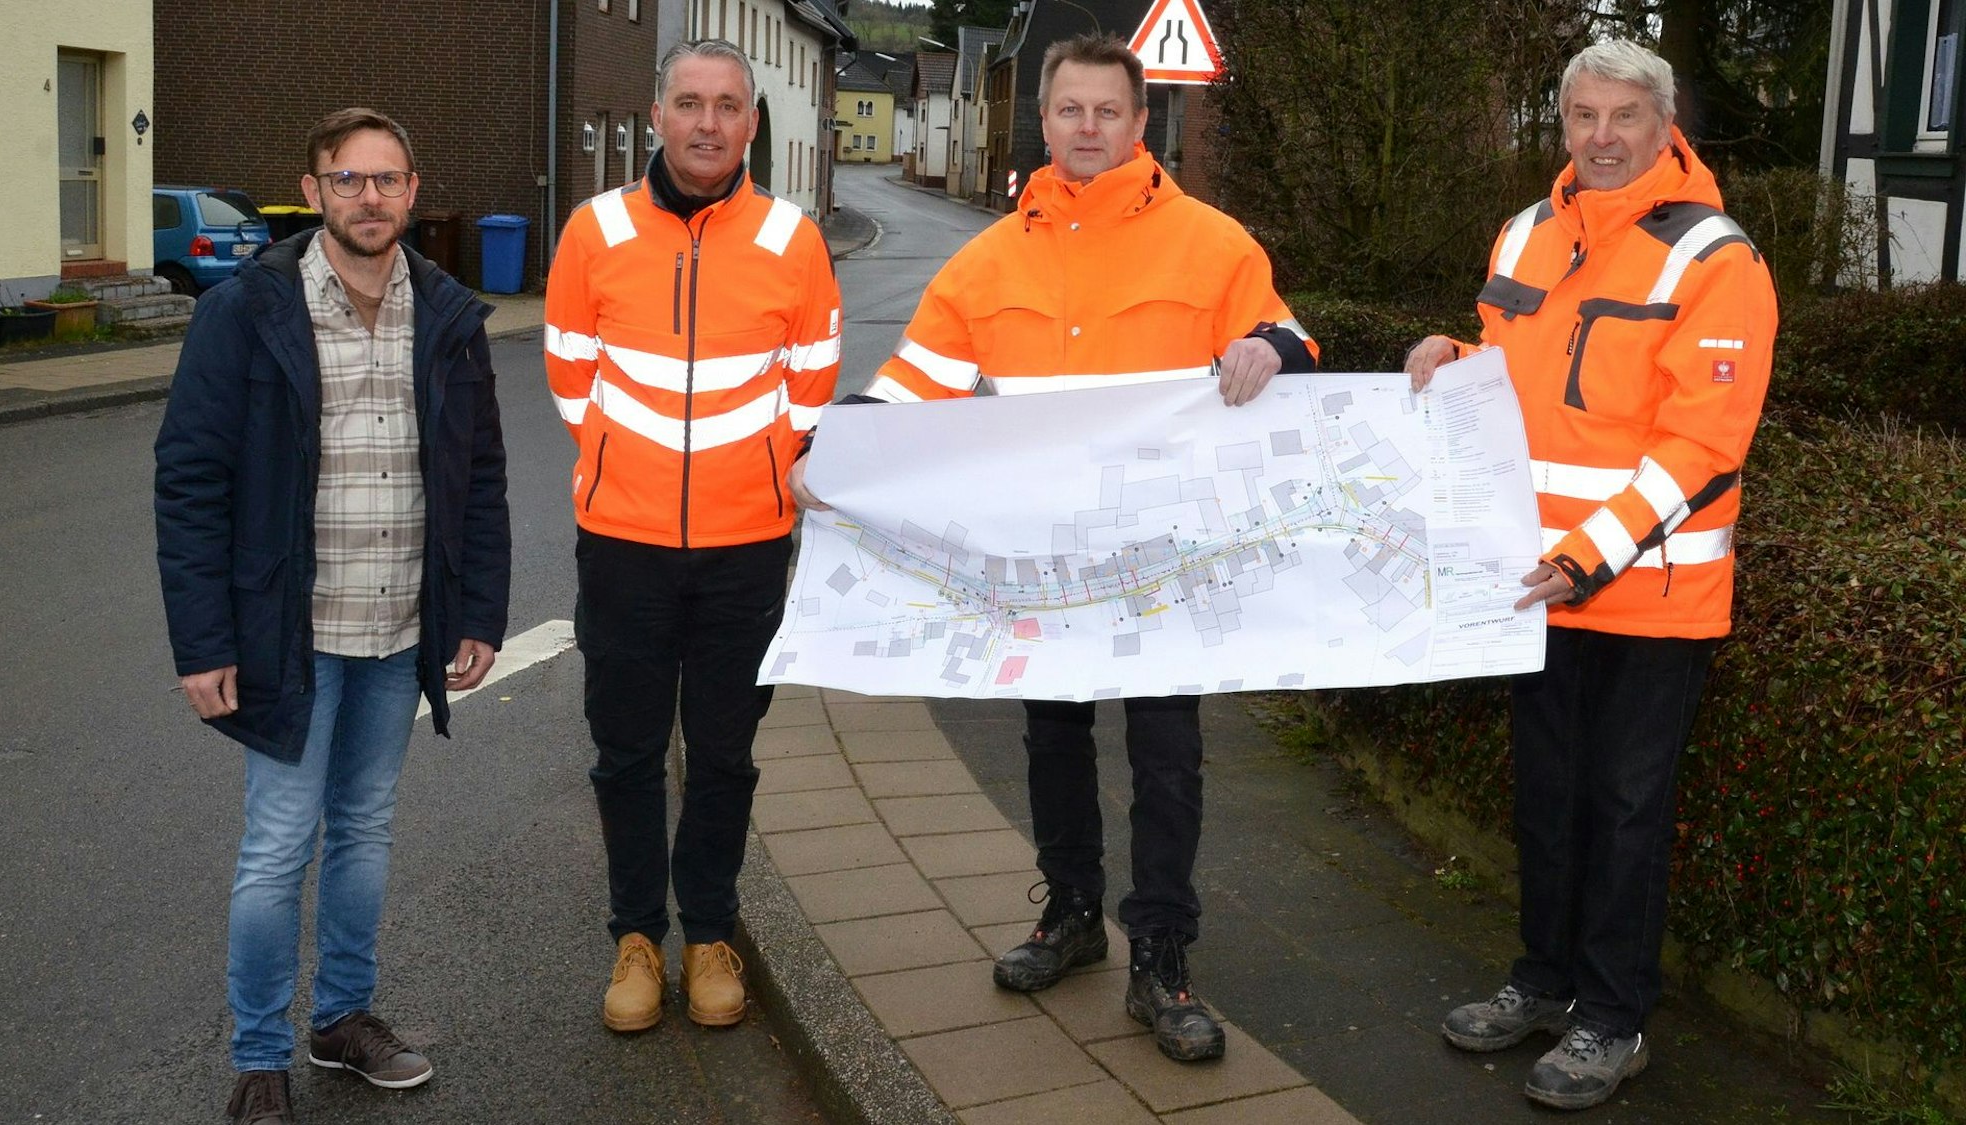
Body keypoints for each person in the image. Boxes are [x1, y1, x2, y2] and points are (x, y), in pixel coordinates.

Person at [790, 32, 1316, 1063]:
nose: (1087, 129)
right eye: (1069, 111)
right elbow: (912, 387)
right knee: (1052, 738)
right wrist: (834, 450)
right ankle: (1072, 916)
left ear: (1137, 121)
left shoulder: (1210, 244)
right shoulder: (990, 259)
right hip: (1046, 562)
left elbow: (1291, 340)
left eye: (1106, 112)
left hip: (1163, 560)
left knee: (1167, 757)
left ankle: (1160, 953)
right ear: (1045, 120)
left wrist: (1267, 348)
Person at [1404, 40, 1777, 1111]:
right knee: (1546, 799)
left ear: (1665, 127)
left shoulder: (1714, 259)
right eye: (1581, 117)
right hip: (1538, 586)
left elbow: (1700, 445)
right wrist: (1446, 355)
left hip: (1649, 597)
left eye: (1623, 117)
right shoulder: (1526, 230)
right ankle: (1541, 983)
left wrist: (1586, 554)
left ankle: (1612, 1022)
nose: (1601, 138)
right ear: (1558, 123)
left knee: (1621, 811)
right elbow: (1509, 377)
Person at [155, 107, 511, 1125]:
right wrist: (202, 641)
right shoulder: (247, 310)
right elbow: (188, 480)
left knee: (363, 830)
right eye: (348, 180)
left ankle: (344, 1018)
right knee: (277, 847)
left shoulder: (445, 313)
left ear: (411, 190)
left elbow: (478, 477)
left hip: (400, 627)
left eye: (388, 180)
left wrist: (476, 607)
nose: (370, 198)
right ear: (311, 192)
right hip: (287, 635)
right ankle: (260, 1055)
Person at [543, 38, 842, 1033]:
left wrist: (751, 474)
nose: (707, 122)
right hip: (621, 545)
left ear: (750, 124)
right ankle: (636, 939)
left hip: (746, 547)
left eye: (726, 106)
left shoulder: (790, 239)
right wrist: (623, 470)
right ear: (659, 115)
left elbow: (812, 383)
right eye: (688, 103)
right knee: (624, 753)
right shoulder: (594, 230)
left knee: (722, 753)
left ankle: (709, 931)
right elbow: (568, 371)